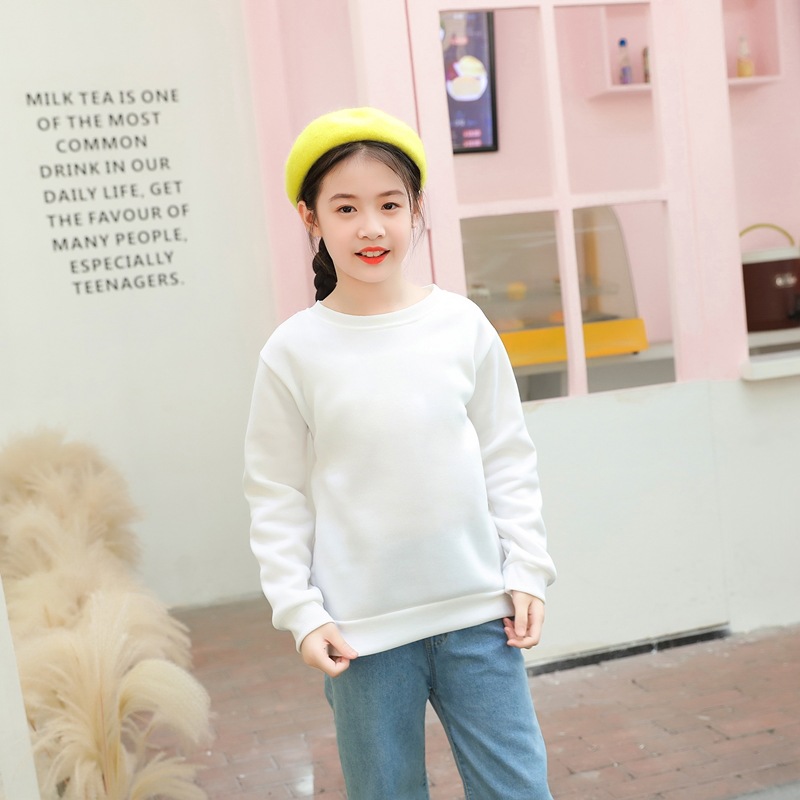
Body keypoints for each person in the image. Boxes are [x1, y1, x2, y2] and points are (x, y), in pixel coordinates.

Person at [244, 107, 557, 799]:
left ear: (416, 210)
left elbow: (507, 457)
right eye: (345, 208)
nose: (371, 227)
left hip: (481, 619)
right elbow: (275, 494)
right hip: (361, 637)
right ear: (309, 218)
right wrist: (301, 612)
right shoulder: (293, 351)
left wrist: (527, 568)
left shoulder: (462, 325)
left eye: (389, 204)